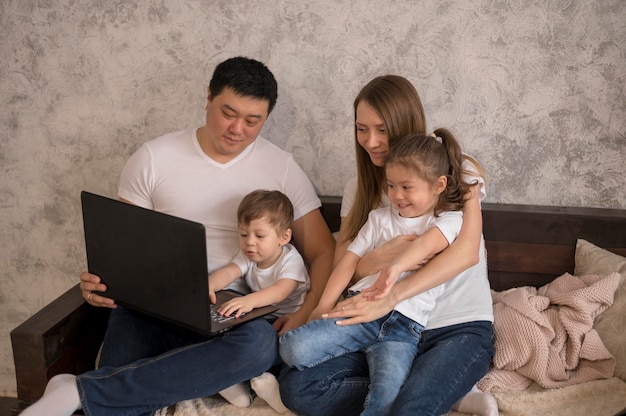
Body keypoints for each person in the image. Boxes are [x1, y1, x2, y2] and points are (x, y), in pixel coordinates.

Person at [22, 56, 335, 416]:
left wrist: (306, 312)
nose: (237, 129)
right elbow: (125, 245)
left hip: (233, 312)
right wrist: (99, 283)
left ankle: (78, 390)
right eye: (228, 113)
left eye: (253, 121)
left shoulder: (281, 168)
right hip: (158, 303)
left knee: (259, 345)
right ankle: (100, 390)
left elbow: (324, 251)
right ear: (208, 98)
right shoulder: (154, 158)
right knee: (127, 365)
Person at [279, 75, 498, 416]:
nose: (371, 140)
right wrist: (312, 311)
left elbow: (466, 252)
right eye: (361, 128)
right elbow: (348, 267)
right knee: (297, 387)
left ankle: (430, 389)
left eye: (381, 129)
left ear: (404, 123)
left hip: (452, 327)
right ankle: (447, 392)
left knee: (409, 409)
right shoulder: (360, 187)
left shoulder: (454, 168)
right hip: (381, 321)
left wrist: (391, 289)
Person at [209, 189, 309, 413]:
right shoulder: (248, 257)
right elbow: (229, 272)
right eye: (244, 235)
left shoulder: (291, 259)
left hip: (291, 318)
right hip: (260, 316)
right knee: (231, 337)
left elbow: (280, 292)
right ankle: (238, 386)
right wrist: (209, 286)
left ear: (283, 237)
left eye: (259, 236)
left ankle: (274, 391)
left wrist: (249, 301)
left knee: (287, 351)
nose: (249, 243)